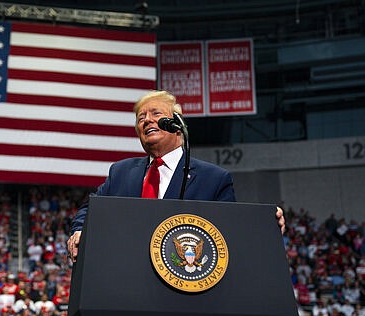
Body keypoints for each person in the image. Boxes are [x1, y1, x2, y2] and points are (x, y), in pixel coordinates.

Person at [67, 90, 285, 260]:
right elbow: (90, 209)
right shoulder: (121, 172)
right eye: (141, 117)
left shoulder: (214, 179)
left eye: (156, 114)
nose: (147, 120)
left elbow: (229, 231)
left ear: (178, 126)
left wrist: (264, 222)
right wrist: (79, 231)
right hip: (126, 280)